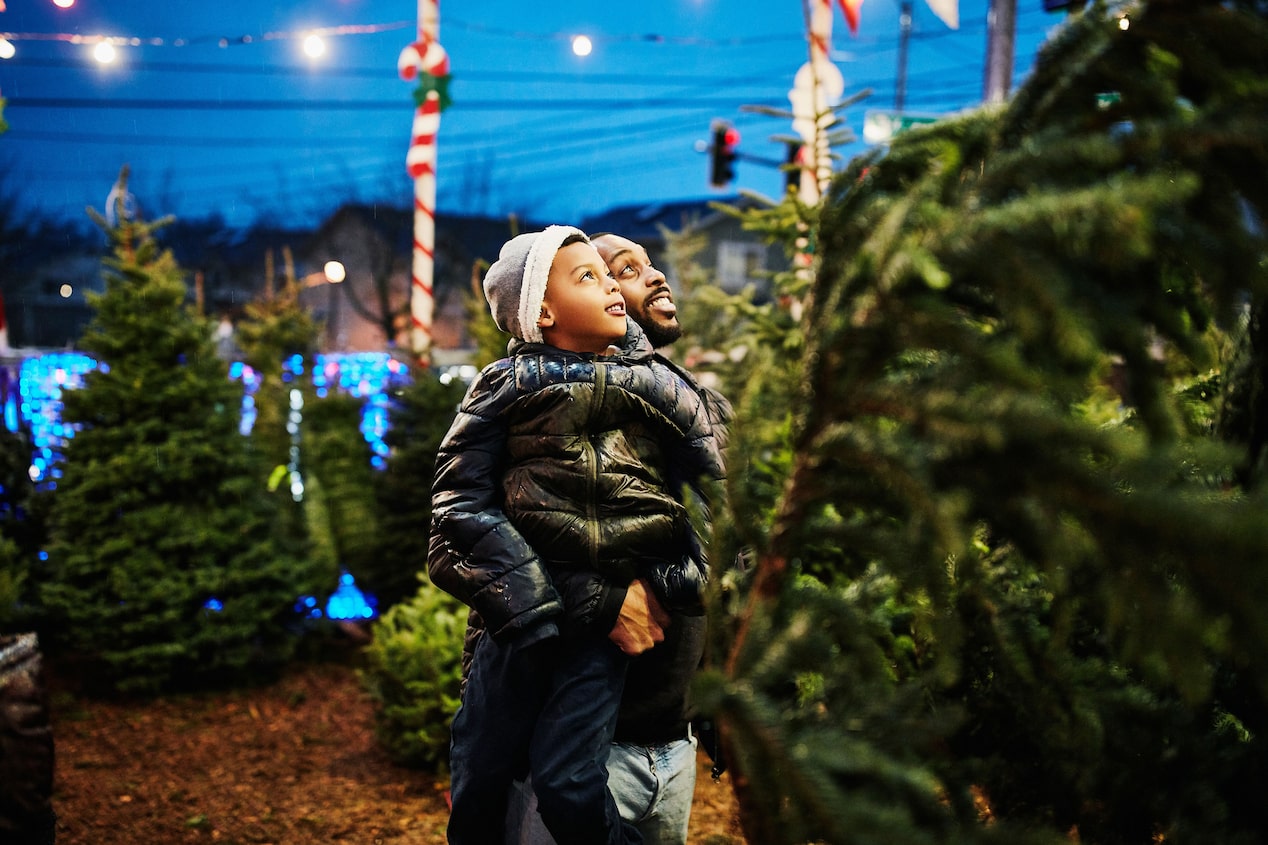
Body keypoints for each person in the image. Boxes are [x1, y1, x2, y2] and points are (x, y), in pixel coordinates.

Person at [428, 226, 726, 845]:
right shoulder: (509, 385)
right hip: (530, 639)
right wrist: (591, 603)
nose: (638, 282)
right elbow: (455, 518)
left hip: (664, 729)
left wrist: (671, 584)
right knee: (483, 767)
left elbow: (729, 516)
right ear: (542, 309)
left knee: (568, 776)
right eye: (605, 272)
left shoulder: (668, 393)